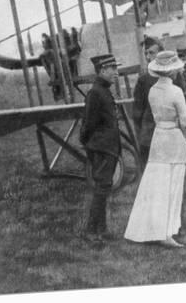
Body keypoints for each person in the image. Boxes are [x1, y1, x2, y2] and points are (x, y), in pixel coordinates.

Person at [125, 51, 186, 248]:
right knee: (173, 185)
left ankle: (152, 227)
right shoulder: (176, 92)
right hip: (173, 138)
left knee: (155, 184)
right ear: (172, 72)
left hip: (158, 137)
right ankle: (167, 231)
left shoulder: (152, 90)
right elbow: (185, 120)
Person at [79, 54, 122, 242]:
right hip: (102, 148)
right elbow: (88, 124)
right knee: (102, 188)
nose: (116, 73)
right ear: (103, 70)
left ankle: (102, 229)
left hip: (108, 147)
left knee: (104, 186)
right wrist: (91, 144)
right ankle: (90, 231)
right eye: (113, 69)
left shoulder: (103, 90)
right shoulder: (96, 92)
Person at [133, 36, 164, 166]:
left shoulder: (174, 75)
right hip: (150, 136)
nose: (147, 56)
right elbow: (137, 113)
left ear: (161, 54)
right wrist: (142, 134)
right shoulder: (143, 80)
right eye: (146, 53)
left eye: (151, 52)